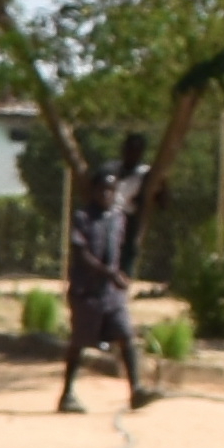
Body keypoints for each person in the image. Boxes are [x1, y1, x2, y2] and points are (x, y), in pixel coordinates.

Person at [57, 140, 154, 412]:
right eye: (102, 189)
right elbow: (81, 254)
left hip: (111, 294)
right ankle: (67, 394)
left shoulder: (118, 219)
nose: (106, 195)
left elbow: (122, 249)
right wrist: (110, 273)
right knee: (79, 343)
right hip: (86, 292)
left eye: (111, 190)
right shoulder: (82, 218)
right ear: (93, 191)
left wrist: (119, 274)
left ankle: (136, 390)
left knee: (126, 335)